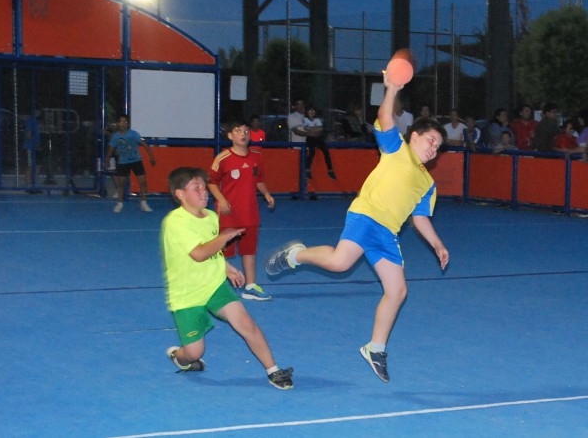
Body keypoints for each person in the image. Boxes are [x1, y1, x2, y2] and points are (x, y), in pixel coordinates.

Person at [264, 70, 450, 383]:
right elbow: (384, 116)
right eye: (431, 140)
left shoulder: (428, 183)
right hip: (366, 215)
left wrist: (438, 244)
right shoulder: (396, 150)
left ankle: (375, 348)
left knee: (398, 290)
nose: (434, 148)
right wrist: (391, 88)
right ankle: (297, 255)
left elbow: (419, 218)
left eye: (439, 147)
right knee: (340, 262)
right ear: (414, 136)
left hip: (388, 233)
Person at [160, 166, 293, 389]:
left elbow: (211, 250)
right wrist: (224, 238)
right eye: (196, 188)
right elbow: (199, 253)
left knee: (245, 323)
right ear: (180, 194)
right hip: (187, 294)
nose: (204, 192)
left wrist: (225, 266)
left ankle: (273, 370)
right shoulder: (176, 222)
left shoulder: (211, 216)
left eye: (205, 187)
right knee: (194, 352)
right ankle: (179, 357)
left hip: (213, 285)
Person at [208, 120, 277, 300]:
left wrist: (267, 194)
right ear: (230, 136)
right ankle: (215, 287)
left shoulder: (256, 156)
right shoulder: (222, 158)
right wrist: (221, 200)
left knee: (249, 250)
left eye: (246, 131)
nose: (243, 134)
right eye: (238, 131)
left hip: (250, 213)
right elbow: (211, 182)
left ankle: (250, 286)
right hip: (228, 214)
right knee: (221, 252)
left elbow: (259, 179)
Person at [106, 114, 156, 213]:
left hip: (136, 160)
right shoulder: (115, 136)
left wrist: (151, 156)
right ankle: (119, 203)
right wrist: (107, 160)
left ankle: (144, 203)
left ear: (128, 124)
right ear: (118, 123)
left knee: (143, 182)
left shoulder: (134, 134)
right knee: (121, 184)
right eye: (121, 122)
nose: (123, 124)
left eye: (125, 122)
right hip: (123, 162)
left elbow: (144, 144)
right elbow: (111, 148)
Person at [299, 105, 336, 180]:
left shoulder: (317, 119)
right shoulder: (305, 119)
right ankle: (307, 169)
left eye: (313, 110)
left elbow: (319, 129)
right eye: (310, 110)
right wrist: (314, 129)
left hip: (318, 138)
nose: (311, 112)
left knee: (326, 151)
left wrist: (313, 129)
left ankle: (330, 170)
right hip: (310, 138)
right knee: (312, 151)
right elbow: (307, 129)